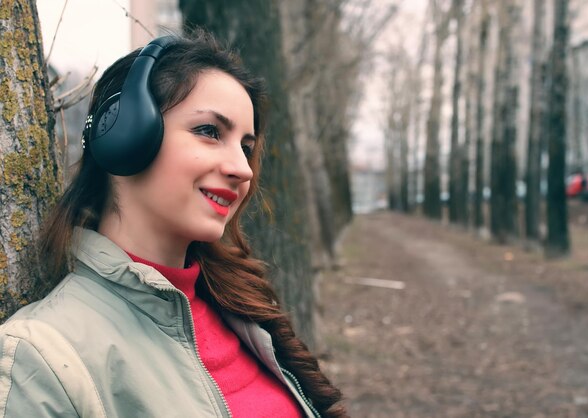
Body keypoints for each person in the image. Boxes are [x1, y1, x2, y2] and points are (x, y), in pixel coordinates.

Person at [0, 31, 347, 418]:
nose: (242, 169)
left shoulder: (240, 309)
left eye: (246, 148)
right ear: (123, 137)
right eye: (210, 132)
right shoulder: (42, 359)